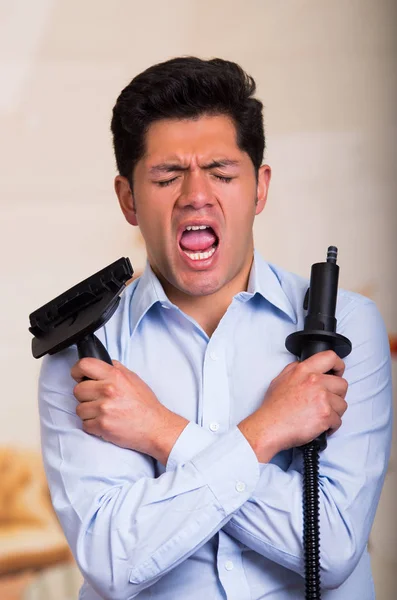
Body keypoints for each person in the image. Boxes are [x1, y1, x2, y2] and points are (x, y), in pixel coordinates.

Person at [38, 57, 392, 600]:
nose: (196, 195)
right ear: (128, 198)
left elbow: (335, 546)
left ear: (259, 189)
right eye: (167, 176)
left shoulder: (348, 326)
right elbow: (114, 559)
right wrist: (267, 431)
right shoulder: (85, 360)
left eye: (222, 173)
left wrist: (160, 431)